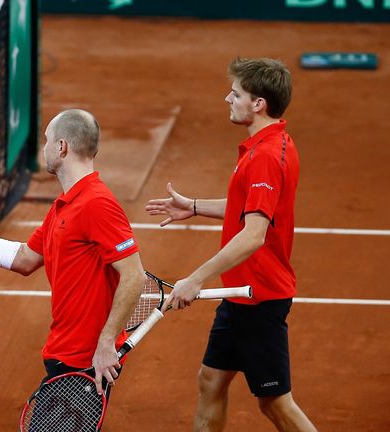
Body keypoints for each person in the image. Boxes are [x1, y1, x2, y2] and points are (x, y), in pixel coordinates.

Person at [146, 57, 317, 431]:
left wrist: (195, 278)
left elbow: (254, 234)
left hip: (259, 296)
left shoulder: (267, 156)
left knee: (276, 404)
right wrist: (192, 207)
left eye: (235, 93)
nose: (228, 98)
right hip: (240, 295)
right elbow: (249, 207)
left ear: (258, 104)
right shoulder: (267, 145)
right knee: (211, 380)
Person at [0, 109, 145, 396]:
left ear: (62, 147)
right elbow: (24, 259)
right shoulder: (65, 205)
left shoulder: (96, 204)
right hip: (63, 349)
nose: (43, 148)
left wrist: (107, 342)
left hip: (83, 357)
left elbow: (134, 276)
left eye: (47, 140)